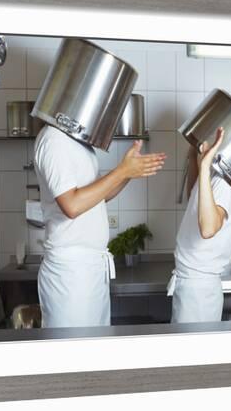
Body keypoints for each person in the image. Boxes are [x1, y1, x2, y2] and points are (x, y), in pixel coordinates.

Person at [34, 124, 166, 328]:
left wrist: (129, 172)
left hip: (91, 272)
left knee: (93, 354)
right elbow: (72, 205)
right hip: (71, 275)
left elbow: (98, 196)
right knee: (71, 355)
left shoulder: (78, 141)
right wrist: (122, 171)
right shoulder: (54, 139)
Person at [167, 126, 231, 323]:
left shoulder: (227, 185)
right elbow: (195, 196)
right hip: (190, 286)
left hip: (199, 293)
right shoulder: (213, 179)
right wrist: (194, 157)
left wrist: (205, 164)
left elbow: (208, 228)